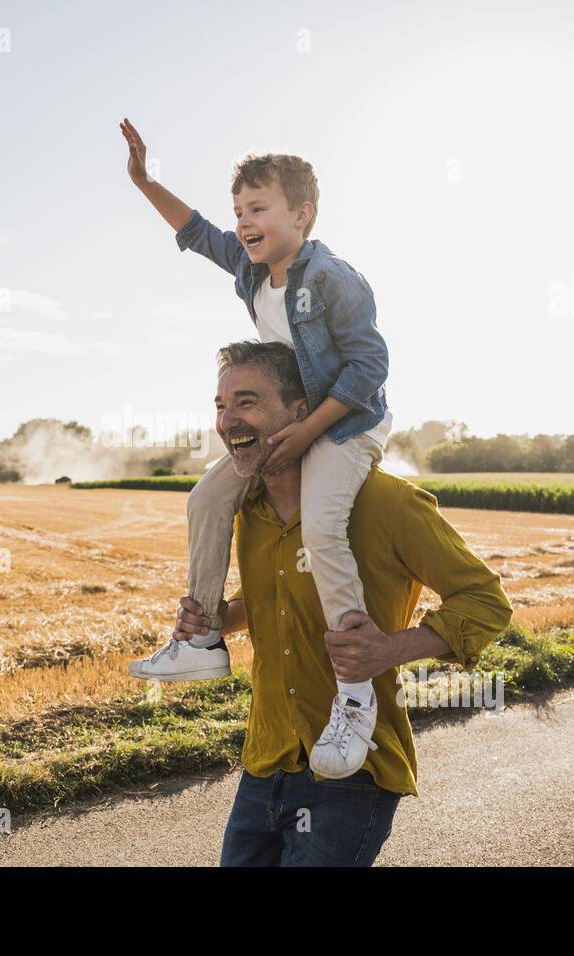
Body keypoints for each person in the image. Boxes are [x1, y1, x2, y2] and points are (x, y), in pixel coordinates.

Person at [166, 341, 512, 866]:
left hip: (354, 771)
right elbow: (270, 599)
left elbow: (486, 600)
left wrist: (391, 650)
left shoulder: (387, 503)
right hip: (265, 759)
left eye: (247, 402)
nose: (226, 420)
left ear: (301, 413)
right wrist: (218, 618)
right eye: (220, 405)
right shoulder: (249, 511)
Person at [120, 118, 393, 778]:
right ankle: (205, 636)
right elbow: (194, 232)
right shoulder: (250, 268)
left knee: (322, 530)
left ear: (302, 213)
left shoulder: (331, 277)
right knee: (208, 498)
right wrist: (143, 179)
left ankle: (356, 697)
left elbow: (369, 367)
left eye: (259, 208)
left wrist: (307, 432)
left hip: (347, 424)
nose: (243, 220)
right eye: (240, 210)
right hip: (290, 420)